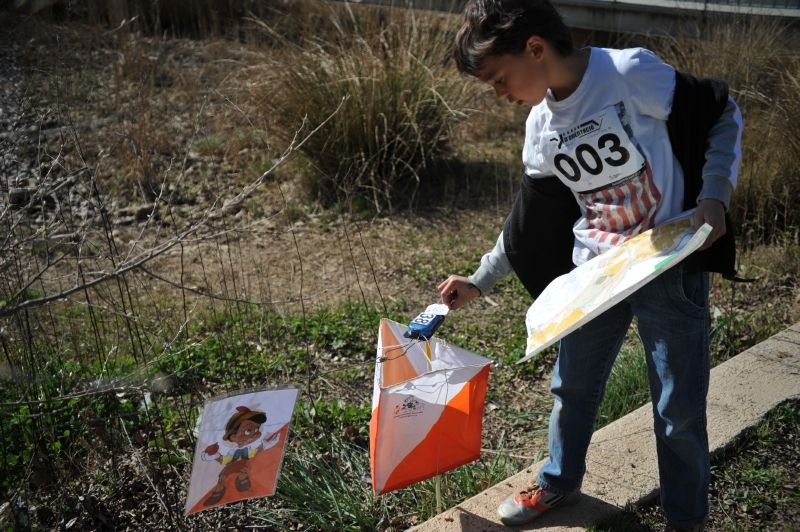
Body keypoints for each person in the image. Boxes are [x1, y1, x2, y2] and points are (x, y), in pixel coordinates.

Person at [437, 1, 742, 530]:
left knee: (678, 410)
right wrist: (480, 280)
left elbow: (720, 112)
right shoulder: (540, 126)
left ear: (535, 48)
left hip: (669, 265)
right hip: (595, 276)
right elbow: (529, 220)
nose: (500, 94)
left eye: (499, 79)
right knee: (571, 387)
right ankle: (558, 482)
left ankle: (685, 519)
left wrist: (714, 196)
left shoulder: (626, 72)